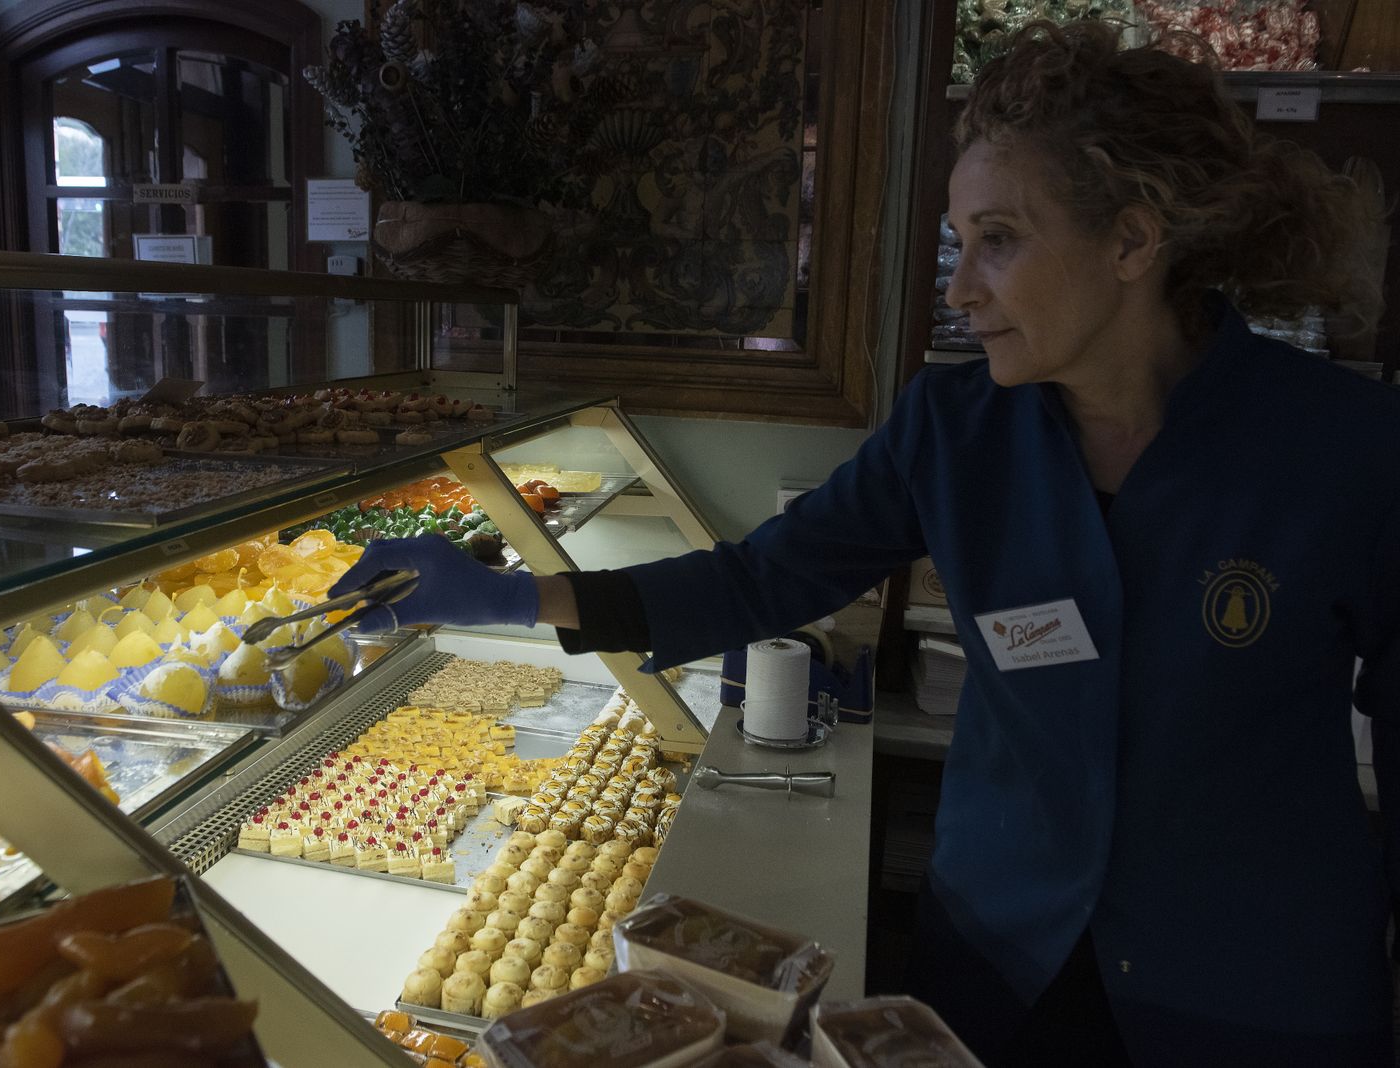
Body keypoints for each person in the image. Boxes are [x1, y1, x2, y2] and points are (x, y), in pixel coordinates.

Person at [328, 20, 1399, 1067]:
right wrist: (519, 601)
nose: (960, 289)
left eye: (999, 240)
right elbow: (767, 579)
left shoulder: (1341, 447)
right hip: (1002, 967)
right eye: (959, 242)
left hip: (1254, 989)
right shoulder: (954, 431)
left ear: (1130, 238)